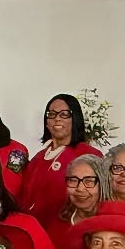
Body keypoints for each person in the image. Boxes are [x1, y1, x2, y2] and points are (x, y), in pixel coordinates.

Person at [21, 94, 102, 229]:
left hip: (69, 230)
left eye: (64, 114)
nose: (57, 118)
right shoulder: (38, 158)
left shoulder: (88, 155)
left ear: (74, 119)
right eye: (52, 114)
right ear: (46, 122)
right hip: (35, 230)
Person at [44, 154, 115, 249]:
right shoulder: (55, 224)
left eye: (89, 181)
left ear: (103, 184)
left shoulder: (117, 224)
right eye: (73, 181)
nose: (80, 189)